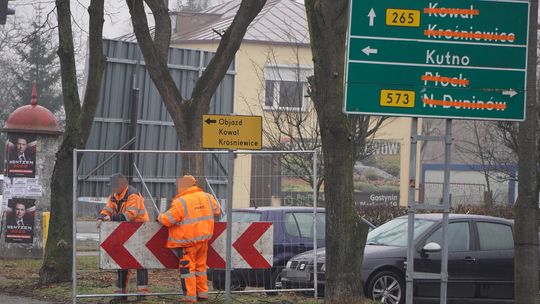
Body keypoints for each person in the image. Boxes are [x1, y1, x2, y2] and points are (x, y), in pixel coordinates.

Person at [158, 175, 221, 303]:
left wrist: (159, 216)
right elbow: (217, 211)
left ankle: (190, 297)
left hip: (187, 243)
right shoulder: (207, 197)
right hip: (203, 240)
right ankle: (202, 294)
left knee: (188, 269)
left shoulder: (181, 201)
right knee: (201, 268)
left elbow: (168, 220)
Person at [97, 173, 150, 301]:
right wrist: (101, 217)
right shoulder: (114, 196)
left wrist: (111, 218)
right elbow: (107, 209)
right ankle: (121, 293)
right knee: (122, 261)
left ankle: (142, 294)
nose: (112, 189)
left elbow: (131, 215)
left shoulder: (133, 194)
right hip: (124, 230)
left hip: (139, 230)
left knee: (140, 262)